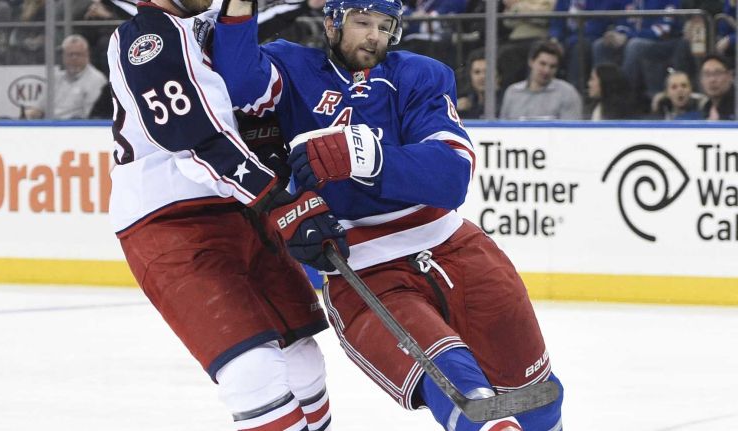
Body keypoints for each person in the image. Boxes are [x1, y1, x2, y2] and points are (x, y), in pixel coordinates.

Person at [212, 0, 564, 430]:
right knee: (468, 400)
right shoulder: (289, 67)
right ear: (332, 23)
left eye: (384, 25)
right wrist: (237, 8)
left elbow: (452, 175)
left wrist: (364, 156)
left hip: (459, 250)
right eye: (362, 23)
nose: (374, 35)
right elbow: (235, 80)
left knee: (539, 401)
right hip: (366, 271)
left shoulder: (418, 74)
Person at [106, 1, 348, 430]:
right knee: (252, 371)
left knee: (304, 360)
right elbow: (196, 138)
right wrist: (278, 199)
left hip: (243, 209)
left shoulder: (208, 22)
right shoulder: (145, 39)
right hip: (171, 221)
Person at [24, 34, 108, 119]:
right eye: (70, 54)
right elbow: (39, 108)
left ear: (87, 55)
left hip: (76, 128)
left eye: (78, 54)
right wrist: (30, 113)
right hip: (49, 126)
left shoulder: (96, 80)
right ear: (63, 56)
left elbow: (91, 116)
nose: (74, 58)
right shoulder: (55, 78)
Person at [500, 40, 583, 120]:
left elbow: (571, 131)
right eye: (542, 64)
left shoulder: (567, 93)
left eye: (552, 66)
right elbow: (503, 129)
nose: (546, 71)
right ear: (531, 62)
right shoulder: (512, 93)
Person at [456, 48, 499, 119]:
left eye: (487, 71)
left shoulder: (506, 102)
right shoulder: (464, 103)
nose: (482, 77)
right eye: (477, 72)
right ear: (470, 77)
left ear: (498, 76)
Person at [699, 54, 736, 120]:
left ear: (730, 76)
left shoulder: (735, 106)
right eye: (707, 74)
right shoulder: (706, 107)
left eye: (717, 73)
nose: (712, 80)